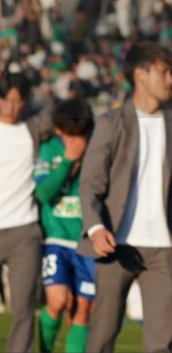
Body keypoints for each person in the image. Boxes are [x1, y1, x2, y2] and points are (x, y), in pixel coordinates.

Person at [78, 43, 172, 353]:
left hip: (165, 247)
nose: (171, 80)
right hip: (115, 245)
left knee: (164, 345)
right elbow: (90, 184)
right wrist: (96, 228)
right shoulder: (110, 123)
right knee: (101, 338)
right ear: (140, 74)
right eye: (164, 72)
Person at [35, 98, 96, 353]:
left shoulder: (96, 149)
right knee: (57, 301)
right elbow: (43, 194)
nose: (74, 140)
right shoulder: (49, 150)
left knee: (82, 309)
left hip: (87, 241)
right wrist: (68, 161)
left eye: (79, 134)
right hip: (56, 240)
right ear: (58, 129)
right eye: (69, 134)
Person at [0, 69, 52, 353]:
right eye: (5, 99)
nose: (11, 107)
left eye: (17, 100)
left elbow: (61, 114)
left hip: (24, 230)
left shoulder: (33, 129)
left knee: (24, 308)